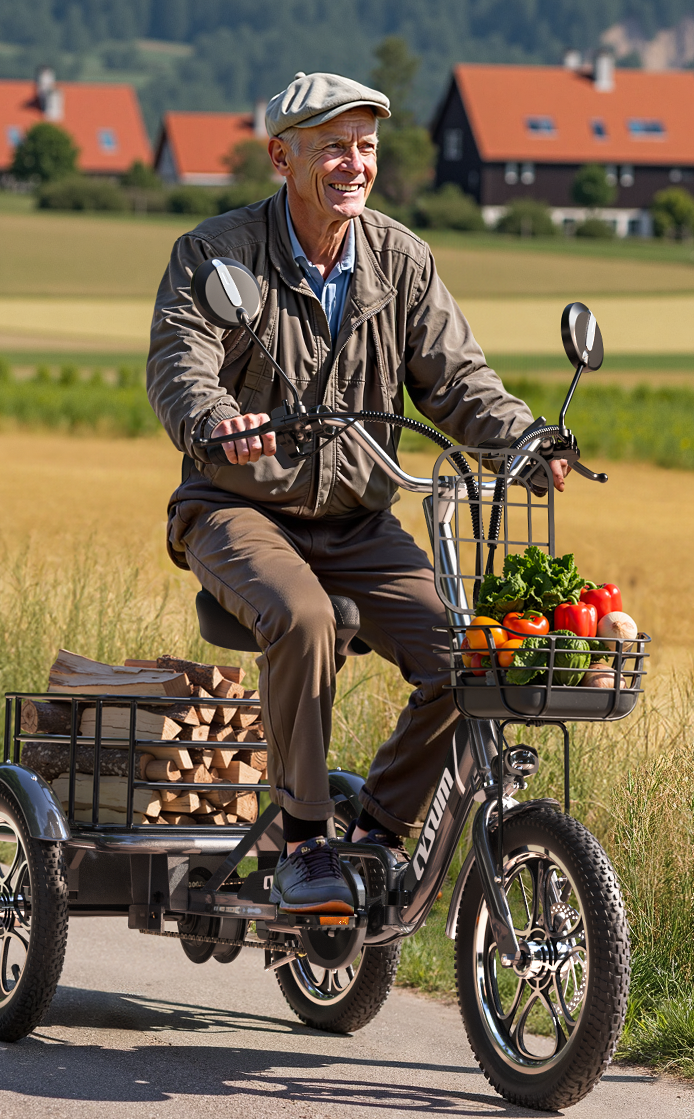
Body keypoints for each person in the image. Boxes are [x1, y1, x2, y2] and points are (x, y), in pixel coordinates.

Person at [147, 71, 568, 914]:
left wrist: (523, 438)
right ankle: (304, 842)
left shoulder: (401, 259)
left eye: (366, 147)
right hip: (236, 507)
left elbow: (458, 380)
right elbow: (180, 361)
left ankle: (375, 833)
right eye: (334, 146)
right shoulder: (218, 254)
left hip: (358, 521)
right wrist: (217, 420)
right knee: (304, 618)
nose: (355, 164)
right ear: (282, 158)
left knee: (469, 654)